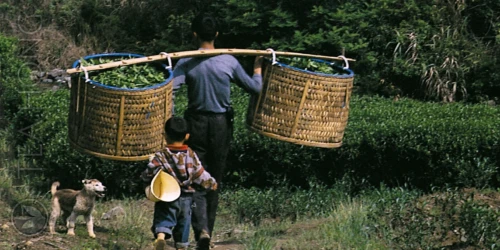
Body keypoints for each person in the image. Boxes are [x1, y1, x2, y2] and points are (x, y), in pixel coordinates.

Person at [172, 13, 263, 249]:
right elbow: (255, 88)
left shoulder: (186, 62)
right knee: (213, 179)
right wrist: (258, 68)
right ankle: (206, 231)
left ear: (194, 34)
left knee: (194, 178)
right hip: (221, 126)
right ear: (217, 35)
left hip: (195, 127)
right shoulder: (229, 61)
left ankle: (200, 229)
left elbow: (168, 91)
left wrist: (173, 121)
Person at [141, 117, 218, 250]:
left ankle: (160, 236)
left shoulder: (161, 155)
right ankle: (182, 246)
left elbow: (150, 171)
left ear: (165, 136)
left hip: (167, 195)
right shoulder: (190, 155)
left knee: (164, 217)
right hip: (186, 198)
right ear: (187, 136)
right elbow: (199, 173)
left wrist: (145, 179)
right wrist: (211, 183)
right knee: (184, 223)